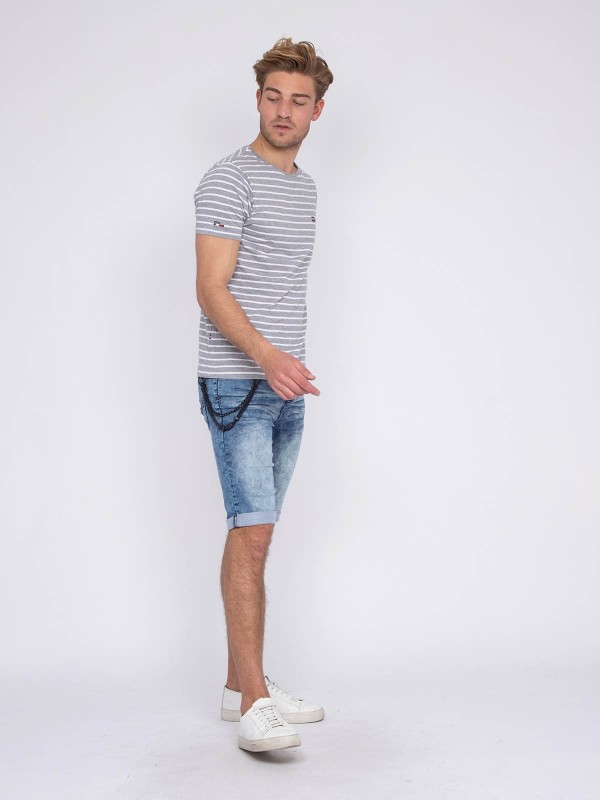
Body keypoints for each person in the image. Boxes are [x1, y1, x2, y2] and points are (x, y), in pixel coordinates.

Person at [193, 38, 334, 752]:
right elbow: (210, 287)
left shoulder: (305, 188)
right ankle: (254, 704)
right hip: (239, 383)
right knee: (250, 531)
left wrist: (286, 365)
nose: (284, 110)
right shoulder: (228, 179)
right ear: (257, 100)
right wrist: (267, 357)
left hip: (284, 382)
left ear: (316, 111)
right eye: (273, 96)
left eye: (298, 100)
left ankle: (236, 685)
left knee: (259, 531)